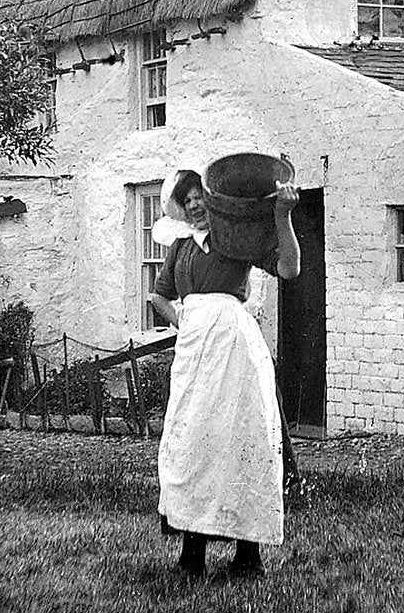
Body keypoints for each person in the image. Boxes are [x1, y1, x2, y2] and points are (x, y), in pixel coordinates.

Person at [149, 167, 300, 579]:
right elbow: (159, 296)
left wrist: (283, 216)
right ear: (180, 207)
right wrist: (188, 321)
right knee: (193, 442)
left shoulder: (234, 237)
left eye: (199, 195)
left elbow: (288, 268)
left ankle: (247, 555)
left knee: (239, 437)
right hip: (196, 350)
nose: (195, 204)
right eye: (187, 199)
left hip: (234, 347)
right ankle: (192, 550)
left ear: (212, 198)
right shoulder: (180, 247)